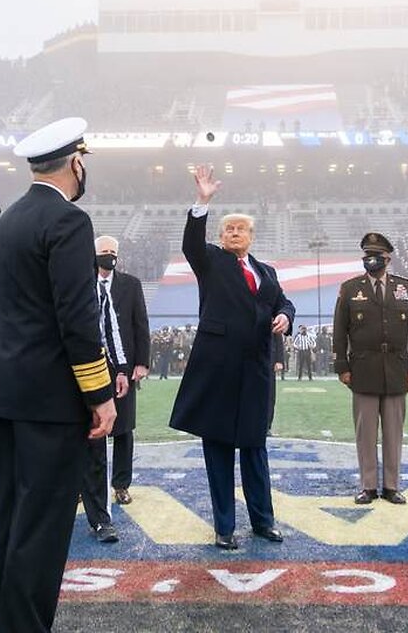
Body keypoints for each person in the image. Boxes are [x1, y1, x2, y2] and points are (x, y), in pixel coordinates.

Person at [0, 118, 117, 633]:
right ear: (75, 162)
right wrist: (100, 393)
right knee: (42, 527)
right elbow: (77, 321)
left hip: (7, 389)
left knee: (8, 520)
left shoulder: (10, 219)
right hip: (50, 399)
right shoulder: (69, 221)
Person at [169, 164, 295, 550]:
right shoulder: (210, 260)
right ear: (221, 235)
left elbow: (283, 301)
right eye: (229, 229)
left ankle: (263, 521)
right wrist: (202, 202)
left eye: (241, 229)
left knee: (255, 450)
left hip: (256, 371)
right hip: (219, 370)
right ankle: (224, 527)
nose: (234, 233)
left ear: (252, 236)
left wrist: (285, 317)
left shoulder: (266, 271)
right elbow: (192, 243)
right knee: (220, 451)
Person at [332, 232, 408, 506]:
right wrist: (341, 366)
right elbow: (339, 331)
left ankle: (392, 486)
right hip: (362, 369)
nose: (371, 261)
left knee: (394, 432)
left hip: (397, 368)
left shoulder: (404, 288)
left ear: (388, 258)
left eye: (376, 257)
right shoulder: (350, 288)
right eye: (367, 256)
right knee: (366, 432)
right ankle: (368, 486)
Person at [94, 236, 150, 507]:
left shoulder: (131, 284)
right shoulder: (83, 284)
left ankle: (121, 484)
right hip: (91, 367)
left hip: (123, 366)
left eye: (113, 252)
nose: (109, 256)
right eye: (104, 251)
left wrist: (141, 362)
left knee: (124, 427)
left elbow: (141, 324)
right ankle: (88, 485)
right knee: (91, 426)